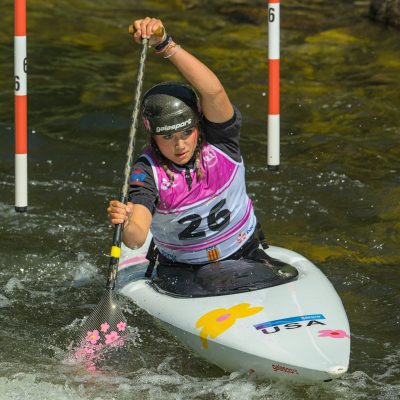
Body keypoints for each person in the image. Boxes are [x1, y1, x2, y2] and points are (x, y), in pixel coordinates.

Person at [107, 17, 290, 293]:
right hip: (183, 270)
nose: (179, 145)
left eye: (186, 133)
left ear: (198, 126)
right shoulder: (147, 171)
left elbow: (213, 92)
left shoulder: (220, 139)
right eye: (167, 137)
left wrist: (165, 44)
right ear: (153, 137)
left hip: (246, 253)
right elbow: (135, 239)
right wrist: (127, 220)